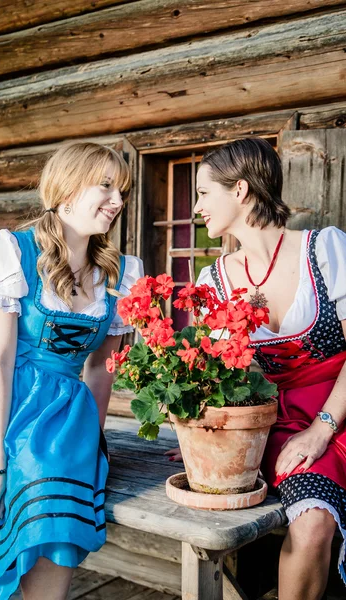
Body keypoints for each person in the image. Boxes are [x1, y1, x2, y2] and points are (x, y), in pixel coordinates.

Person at [0, 141, 143, 600]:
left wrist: (92, 443)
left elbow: (99, 369)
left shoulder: (119, 274)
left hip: (63, 424)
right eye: (107, 186)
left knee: (53, 524)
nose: (118, 201)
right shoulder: (13, 252)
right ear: (67, 188)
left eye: (123, 191)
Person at [166, 137, 346, 600]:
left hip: (338, 412)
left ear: (241, 190)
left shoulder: (325, 250)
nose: (196, 207)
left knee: (313, 523)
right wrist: (201, 429)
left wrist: (323, 427)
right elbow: (217, 377)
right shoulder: (215, 281)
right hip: (273, 424)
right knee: (312, 523)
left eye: (204, 193)